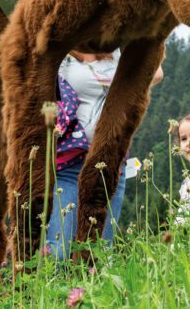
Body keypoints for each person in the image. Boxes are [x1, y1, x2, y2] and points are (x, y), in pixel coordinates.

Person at [46, 49, 163, 258]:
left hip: (110, 161)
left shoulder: (117, 52)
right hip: (70, 164)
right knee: (59, 251)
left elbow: (155, 73)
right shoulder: (64, 53)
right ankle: (57, 290)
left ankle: (85, 291)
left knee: (100, 252)